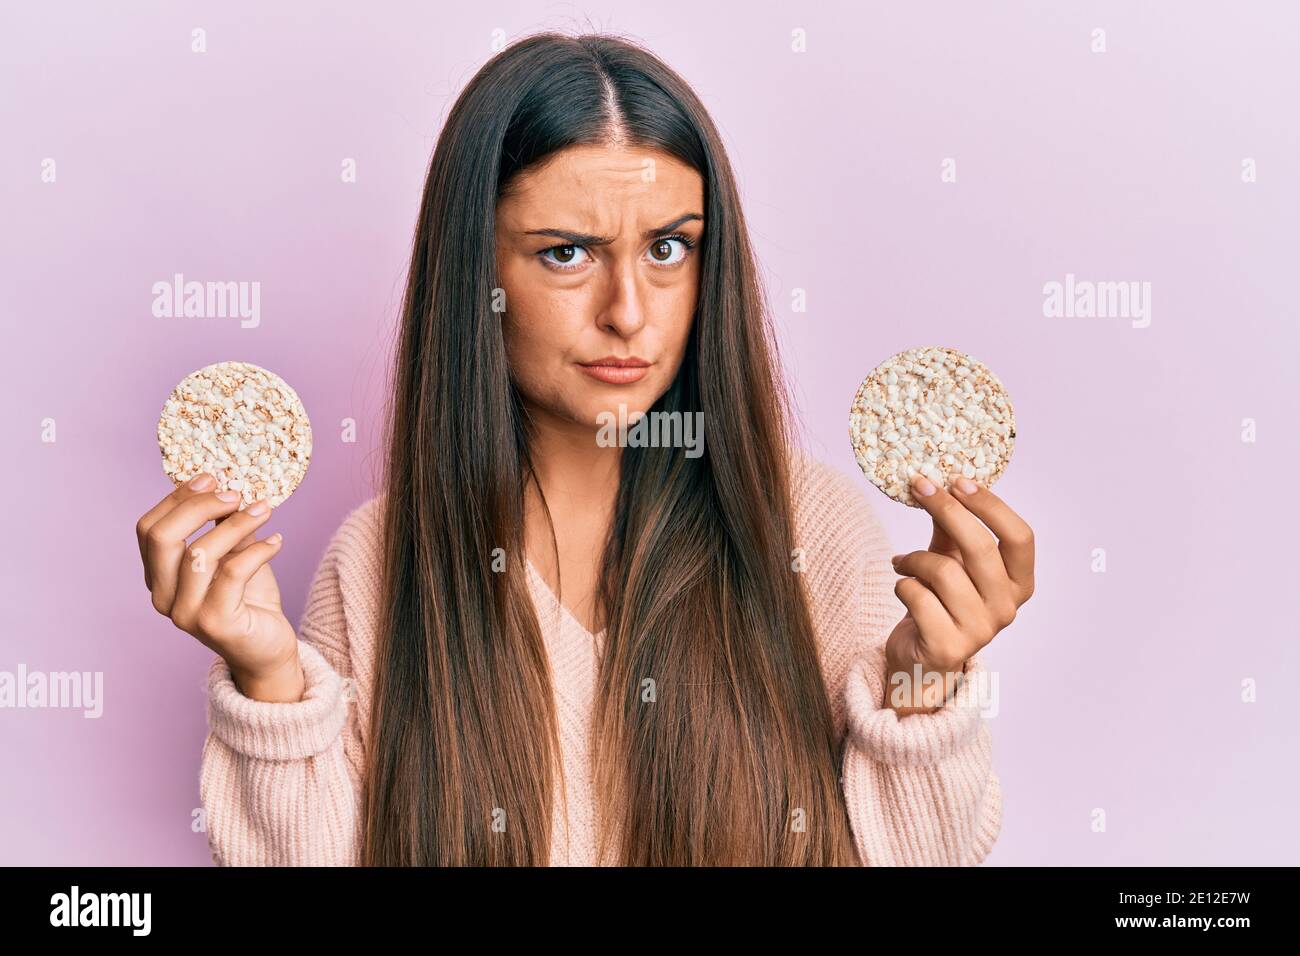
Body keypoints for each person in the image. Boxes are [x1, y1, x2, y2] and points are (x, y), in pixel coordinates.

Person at [135, 31, 1035, 866]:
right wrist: (268, 683)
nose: (629, 311)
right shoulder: (378, 560)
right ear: (474, 272)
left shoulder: (813, 530)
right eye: (566, 253)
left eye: (670, 249)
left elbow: (925, 856)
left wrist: (924, 686)